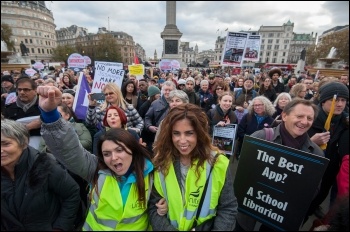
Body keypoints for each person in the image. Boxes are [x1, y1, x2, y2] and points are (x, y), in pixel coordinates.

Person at [36, 85, 167, 230]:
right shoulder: (95, 170)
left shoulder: (152, 173)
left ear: (133, 149)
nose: (114, 158)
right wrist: (49, 114)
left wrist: (161, 209)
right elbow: (69, 150)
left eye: (120, 150)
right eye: (106, 154)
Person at [235, 99, 325, 231]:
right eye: (299, 116)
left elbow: (312, 191)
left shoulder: (316, 153)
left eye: (309, 118)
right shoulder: (260, 138)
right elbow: (242, 174)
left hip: (281, 220)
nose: (305, 122)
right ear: (284, 116)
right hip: (248, 217)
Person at [148, 103, 238, 231]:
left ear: (200, 134)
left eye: (189, 133)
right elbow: (153, 207)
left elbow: (228, 208)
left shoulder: (218, 163)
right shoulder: (160, 163)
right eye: (176, 133)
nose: (182, 140)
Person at [1, 118, 81, 230]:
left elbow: (72, 194)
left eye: (5, 144)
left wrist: (60, 228)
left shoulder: (44, 165)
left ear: (23, 143)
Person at [306, 81, 349, 220]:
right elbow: (288, 148)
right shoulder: (307, 119)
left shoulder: (345, 122)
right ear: (323, 101)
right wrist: (311, 142)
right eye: (334, 100)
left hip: (327, 177)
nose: (340, 104)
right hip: (306, 176)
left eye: (343, 100)